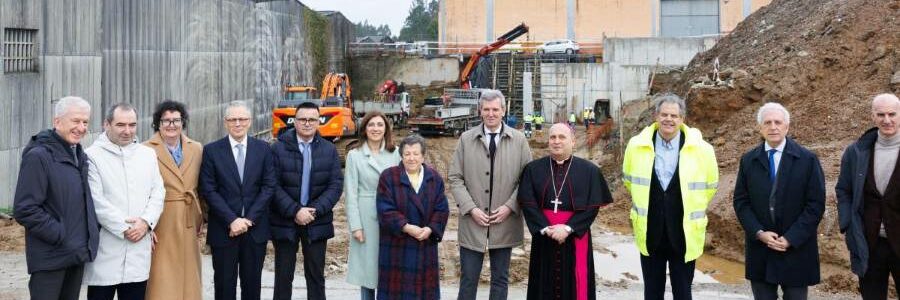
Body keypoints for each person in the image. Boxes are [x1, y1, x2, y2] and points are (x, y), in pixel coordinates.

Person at [622, 93, 718, 300]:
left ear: (682, 119)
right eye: (664, 114)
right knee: (652, 292)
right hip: (650, 231)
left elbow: (710, 186)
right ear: (656, 116)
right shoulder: (636, 146)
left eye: (674, 115)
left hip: (684, 233)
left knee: (683, 292)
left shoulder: (703, 150)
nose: (669, 119)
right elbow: (629, 181)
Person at [733, 103, 825, 300]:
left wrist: (791, 238)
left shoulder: (807, 160)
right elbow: (741, 202)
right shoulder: (749, 160)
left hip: (796, 250)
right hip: (761, 249)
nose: (773, 127)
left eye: (778, 122)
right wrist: (759, 233)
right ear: (760, 128)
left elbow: (815, 204)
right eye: (767, 122)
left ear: (787, 127)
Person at [448, 89, 532, 300]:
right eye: (486, 109)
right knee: (468, 278)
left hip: (504, 222)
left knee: (500, 279)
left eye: (495, 109)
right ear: (480, 111)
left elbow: (527, 180)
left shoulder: (520, 140)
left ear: (503, 111)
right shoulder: (466, 140)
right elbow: (455, 178)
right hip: (472, 222)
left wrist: (509, 207)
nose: (491, 113)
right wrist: (471, 209)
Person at [14, 96, 100, 300]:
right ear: (57, 122)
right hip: (50, 257)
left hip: (75, 254)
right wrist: (60, 234)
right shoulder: (39, 156)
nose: (81, 127)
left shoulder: (79, 155)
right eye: (75, 121)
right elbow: (25, 208)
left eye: (85, 122)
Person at [518, 123, 611, 299]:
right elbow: (528, 203)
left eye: (562, 137)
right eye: (553, 137)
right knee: (542, 284)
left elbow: (592, 207)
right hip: (545, 237)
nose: (557, 141)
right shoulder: (533, 169)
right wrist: (546, 228)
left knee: (576, 284)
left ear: (573, 142)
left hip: (575, 236)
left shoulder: (589, 171)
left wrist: (568, 228)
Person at [83, 103, 165, 300]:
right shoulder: (92, 156)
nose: (127, 131)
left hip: (139, 247)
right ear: (106, 124)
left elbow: (158, 192)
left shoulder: (147, 154)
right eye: (120, 125)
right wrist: (125, 228)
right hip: (107, 247)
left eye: (132, 125)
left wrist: (145, 222)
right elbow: (96, 200)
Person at [200, 101, 276, 300]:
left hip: (254, 230)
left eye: (242, 119)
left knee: (252, 287)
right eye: (233, 119)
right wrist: (232, 220)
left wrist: (248, 219)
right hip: (224, 230)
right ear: (225, 122)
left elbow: (268, 187)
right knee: (224, 287)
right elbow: (208, 189)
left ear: (249, 122)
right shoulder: (211, 151)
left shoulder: (264, 149)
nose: (238, 123)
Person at [270, 101, 343, 300]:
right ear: (295, 121)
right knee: (283, 276)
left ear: (319, 121)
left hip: (316, 221)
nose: (307, 123)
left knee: (316, 275)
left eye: (312, 119)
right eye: (302, 119)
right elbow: (272, 185)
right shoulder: (278, 149)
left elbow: (335, 185)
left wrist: (314, 210)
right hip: (285, 220)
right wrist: (295, 211)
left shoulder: (328, 150)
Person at [837, 93, 900, 299]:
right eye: (880, 114)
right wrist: (847, 222)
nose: (887, 120)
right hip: (869, 244)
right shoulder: (856, 152)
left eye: (892, 114)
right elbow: (843, 190)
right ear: (873, 116)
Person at [376, 134, 449, 300]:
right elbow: (384, 209)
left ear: (423, 156)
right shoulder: (388, 177)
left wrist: (430, 228)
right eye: (407, 154)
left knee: (423, 292)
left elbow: (442, 209)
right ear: (401, 155)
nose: (411, 158)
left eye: (416, 154)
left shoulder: (434, 178)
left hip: (425, 243)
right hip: (397, 245)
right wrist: (406, 227)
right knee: (397, 293)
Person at [144, 100, 204, 300]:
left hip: (188, 218)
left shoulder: (196, 148)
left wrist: (201, 218)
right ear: (158, 124)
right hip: (161, 219)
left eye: (176, 120)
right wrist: (147, 225)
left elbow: (202, 186)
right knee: (162, 276)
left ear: (183, 122)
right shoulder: (145, 150)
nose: (171, 125)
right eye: (166, 121)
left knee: (189, 274)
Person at [345, 111, 401, 299]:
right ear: (364, 128)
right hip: (366, 216)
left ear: (386, 128)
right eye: (371, 125)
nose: (375, 129)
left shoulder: (396, 153)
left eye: (379, 125)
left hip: (391, 216)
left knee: (390, 269)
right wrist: (356, 226)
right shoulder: (355, 155)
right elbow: (351, 193)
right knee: (367, 271)